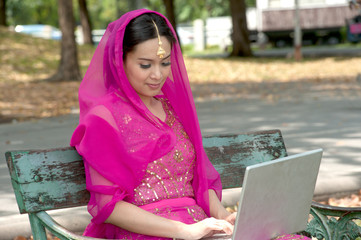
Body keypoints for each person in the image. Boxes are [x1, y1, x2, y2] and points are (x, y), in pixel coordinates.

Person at [70, 9, 311, 240]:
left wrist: (225, 218)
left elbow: (198, 180)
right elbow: (109, 206)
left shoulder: (171, 108)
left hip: (198, 226)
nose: (158, 75)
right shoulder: (103, 117)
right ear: (119, 61)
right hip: (149, 233)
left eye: (164, 63)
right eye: (145, 65)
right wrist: (184, 231)